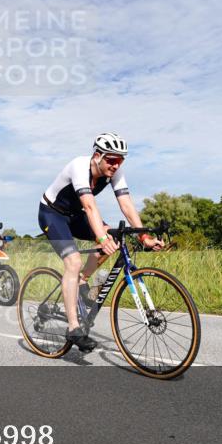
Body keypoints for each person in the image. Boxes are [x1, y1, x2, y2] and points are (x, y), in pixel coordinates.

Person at [38, 132, 163, 352]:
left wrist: (144, 237)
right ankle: (74, 328)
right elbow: (90, 206)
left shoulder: (115, 172)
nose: (116, 165)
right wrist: (102, 237)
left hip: (76, 216)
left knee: (115, 239)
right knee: (74, 261)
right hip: (52, 213)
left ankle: (82, 281)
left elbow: (126, 205)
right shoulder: (79, 166)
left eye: (120, 160)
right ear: (97, 155)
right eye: (112, 160)